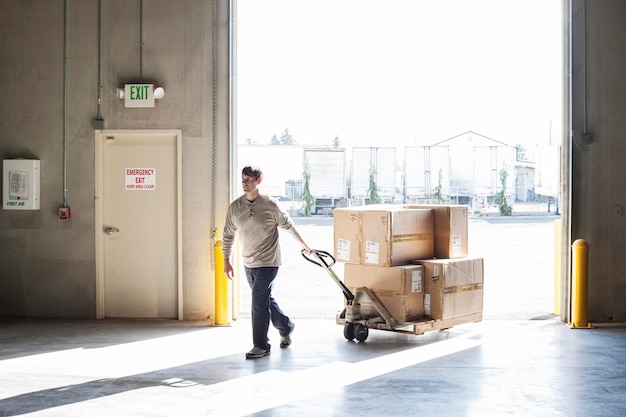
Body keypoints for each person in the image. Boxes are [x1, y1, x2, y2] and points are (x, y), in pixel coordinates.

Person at [222, 165, 311, 359]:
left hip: (269, 263)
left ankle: (261, 345)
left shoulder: (271, 205)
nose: (244, 183)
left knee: (257, 301)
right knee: (263, 300)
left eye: (249, 180)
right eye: (243, 179)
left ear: (258, 182)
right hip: (248, 263)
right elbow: (228, 235)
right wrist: (226, 261)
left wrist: (304, 244)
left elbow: (288, 225)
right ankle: (286, 326)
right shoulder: (235, 207)